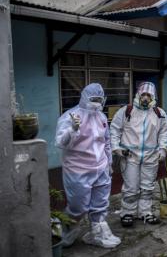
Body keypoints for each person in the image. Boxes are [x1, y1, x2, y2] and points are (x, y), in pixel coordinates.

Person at [55, 83, 121, 248]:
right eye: (94, 99)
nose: (97, 102)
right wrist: (72, 129)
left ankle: (97, 234)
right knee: (78, 206)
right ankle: (63, 233)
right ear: (85, 97)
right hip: (78, 170)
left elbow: (106, 142)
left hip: (101, 168)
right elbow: (61, 143)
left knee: (100, 204)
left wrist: (109, 163)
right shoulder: (70, 116)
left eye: (100, 99)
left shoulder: (101, 117)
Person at [110, 82, 167, 227]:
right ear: (138, 94)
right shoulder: (126, 111)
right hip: (129, 155)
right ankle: (127, 213)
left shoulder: (159, 113)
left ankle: (145, 212)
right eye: (143, 94)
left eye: (148, 95)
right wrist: (117, 148)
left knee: (148, 186)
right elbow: (115, 130)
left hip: (151, 155)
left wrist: (162, 149)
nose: (145, 98)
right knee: (131, 186)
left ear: (153, 97)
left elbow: (164, 132)